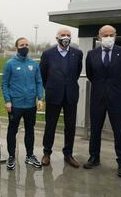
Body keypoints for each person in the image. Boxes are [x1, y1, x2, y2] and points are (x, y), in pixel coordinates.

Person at [84, 25, 121, 178]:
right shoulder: (91, 54)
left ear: (115, 36)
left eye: (110, 34)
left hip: (118, 98)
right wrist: (103, 87)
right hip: (97, 98)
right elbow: (90, 75)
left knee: (119, 132)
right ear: (99, 37)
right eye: (104, 35)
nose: (108, 37)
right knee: (95, 130)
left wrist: (117, 87)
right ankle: (94, 157)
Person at [39, 28, 83, 168]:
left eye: (68, 35)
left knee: (70, 126)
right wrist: (52, 86)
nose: (66, 37)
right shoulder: (47, 54)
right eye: (63, 35)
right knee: (50, 125)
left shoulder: (78, 53)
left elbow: (76, 73)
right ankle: (47, 153)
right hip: (53, 95)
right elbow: (43, 75)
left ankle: (68, 154)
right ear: (57, 38)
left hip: (71, 95)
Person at [2, 37, 44, 170]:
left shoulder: (34, 64)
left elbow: (39, 82)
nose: (24, 46)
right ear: (16, 47)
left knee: (30, 130)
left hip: (31, 105)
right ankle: (11, 156)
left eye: (26, 44)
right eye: (22, 45)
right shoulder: (10, 64)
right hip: (15, 105)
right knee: (12, 130)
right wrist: (8, 101)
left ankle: (30, 155)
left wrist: (40, 98)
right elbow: (4, 84)